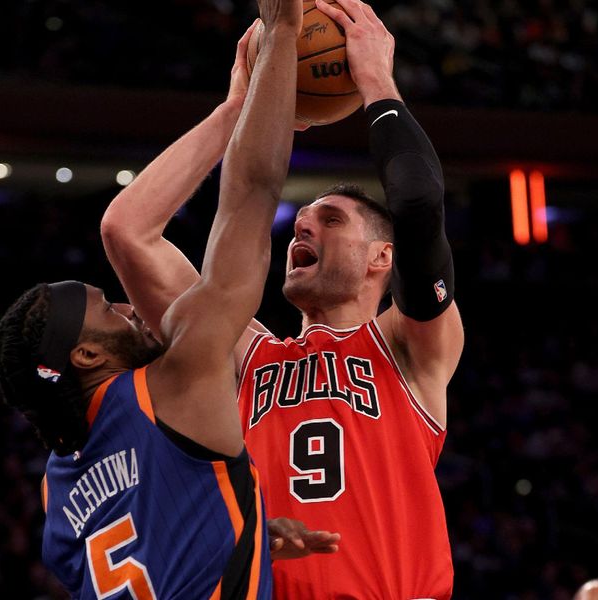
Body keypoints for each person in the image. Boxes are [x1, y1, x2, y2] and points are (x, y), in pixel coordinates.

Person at [101, 0, 463, 596]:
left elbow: (420, 206)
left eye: (331, 220)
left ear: (383, 259)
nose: (301, 226)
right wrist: (237, 111)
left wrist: (374, 76)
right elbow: (128, 231)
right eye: (300, 219)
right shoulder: (246, 356)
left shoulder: (409, 346)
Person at [0, 1, 338, 597]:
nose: (128, 307)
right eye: (110, 309)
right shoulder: (172, 383)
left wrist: (240, 530)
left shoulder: (58, 491)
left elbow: (148, 538)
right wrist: (281, 34)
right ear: (88, 357)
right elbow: (251, 195)